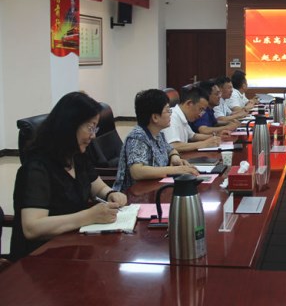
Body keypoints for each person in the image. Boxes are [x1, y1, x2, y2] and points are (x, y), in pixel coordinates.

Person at [10, 92, 128, 261]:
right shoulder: (37, 168)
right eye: (90, 128)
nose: (94, 135)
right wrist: (88, 216)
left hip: (73, 247)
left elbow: (98, 186)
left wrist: (111, 194)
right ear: (70, 126)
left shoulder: (77, 155)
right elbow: (32, 228)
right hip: (39, 259)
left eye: (95, 128)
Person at [112, 89, 199, 192]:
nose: (170, 114)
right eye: (168, 110)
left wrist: (174, 157)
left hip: (155, 188)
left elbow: (170, 149)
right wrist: (175, 170)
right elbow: (137, 172)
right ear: (155, 117)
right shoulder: (137, 138)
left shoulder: (158, 134)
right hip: (134, 195)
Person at [162, 85, 222, 152]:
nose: (201, 115)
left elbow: (193, 136)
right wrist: (204, 144)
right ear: (189, 103)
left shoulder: (182, 116)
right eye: (200, 109)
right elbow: (173, 145)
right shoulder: (172, 117)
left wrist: (215, 137)